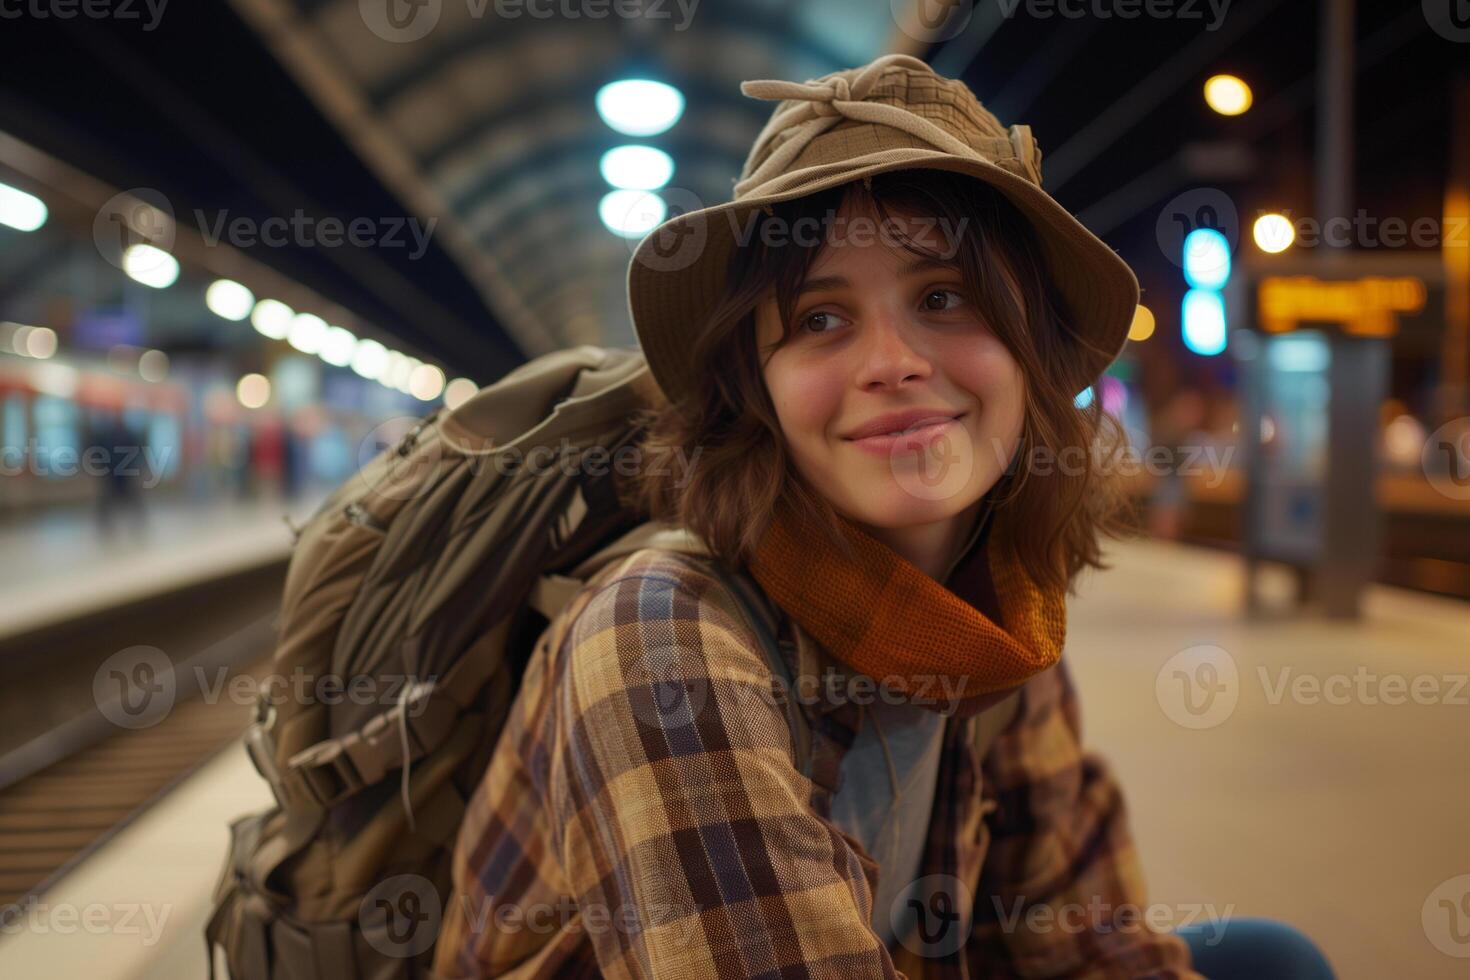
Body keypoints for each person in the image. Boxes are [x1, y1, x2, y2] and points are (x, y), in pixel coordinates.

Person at [434, 54, 1335, 979]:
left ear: (1033, 352)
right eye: (821, 319)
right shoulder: (660, 643)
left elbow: (1083, 946)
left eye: (944, 298)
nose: (893, 362)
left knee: (1269, 960)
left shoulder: (1000, 611)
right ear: (757, 392)